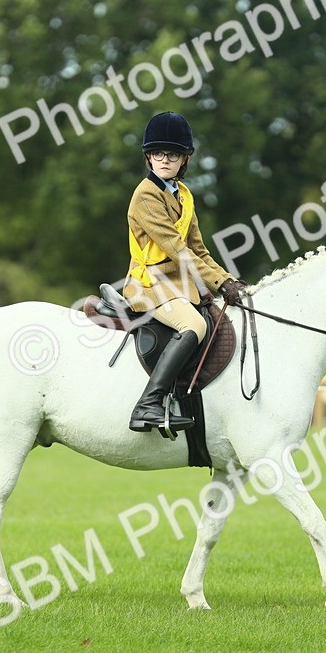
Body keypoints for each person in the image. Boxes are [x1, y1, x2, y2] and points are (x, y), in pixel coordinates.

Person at [122, 112, 248, 433]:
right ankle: (148, 404)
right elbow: (178, 250)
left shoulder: (184, 195)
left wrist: (228, 281)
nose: (165, 160)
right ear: (149, 156)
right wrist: (219, 282)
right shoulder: (146, 196)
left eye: (173, 154)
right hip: (148, 284)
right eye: (159, 153)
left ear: (184, 159)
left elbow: (199, 250)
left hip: (177, 284)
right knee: (193, 324)